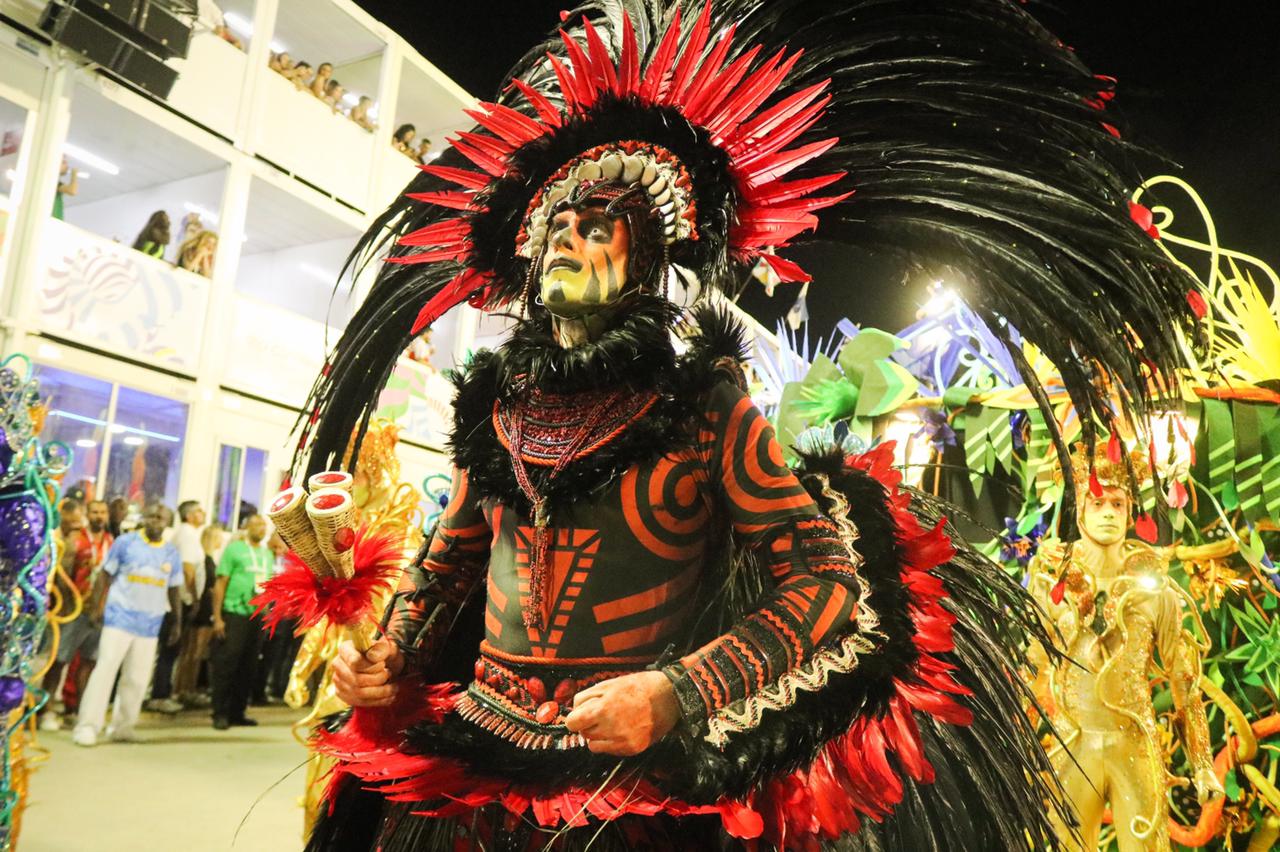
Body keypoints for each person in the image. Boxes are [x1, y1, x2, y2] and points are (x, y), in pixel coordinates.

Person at [297, 2, 1197, 848]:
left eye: (597, 224)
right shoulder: (494, 412)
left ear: (645, 256)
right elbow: (451, 559)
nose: (567, 237)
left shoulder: (702, 407)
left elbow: (824, 582)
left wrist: (675, 694)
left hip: (634, 793)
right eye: (554, 226)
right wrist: (388, 656)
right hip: (479, 773)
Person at [1027, 445, 1224, 851]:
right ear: (1078, 509)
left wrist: (1203, 762)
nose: (1108, 513)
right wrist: (1014, 750)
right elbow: (1032, 673)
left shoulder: (1154, 592)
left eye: (1117, 503)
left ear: (1131, 509)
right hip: (1073, 743)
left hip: (1134, 744)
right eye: (1096, 502)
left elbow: (1184, 679)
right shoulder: (1052, 587)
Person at [72, 504, 183, 747]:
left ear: (167, 523)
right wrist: (96, 606)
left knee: (137, 678)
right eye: (152, 516)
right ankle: (87, 726)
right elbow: (105, 574)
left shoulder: (171, 553)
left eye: (161, 518)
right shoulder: (126, 543)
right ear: (144, 518)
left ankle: (123, 726)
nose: (156, 521)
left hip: (150, 624)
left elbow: (174, 589)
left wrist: (176, 622)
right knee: (104, 671)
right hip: (119, 619)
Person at [39, 499, 112, 731]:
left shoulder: (111, 542)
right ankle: (47, 709)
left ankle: (79, 710)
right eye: (94, 512)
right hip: (73, 610)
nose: (98, 516)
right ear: (86, 515)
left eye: (102, 512)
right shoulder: (75, 539)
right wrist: (63, 606)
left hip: (99, 612)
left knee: (89, 663)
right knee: (59, 660)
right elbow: (63, 575)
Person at [209, 514, 272, 730]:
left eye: (264, 525)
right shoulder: (234, 549)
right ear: (246, 528)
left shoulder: (266, 554)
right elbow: (221, 582)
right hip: (234, 613)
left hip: (257, 617)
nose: (261, 528)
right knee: (227, 664)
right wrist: (217, 617)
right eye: (256, 524)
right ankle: (220, 712)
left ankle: (238, 711)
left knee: (249, 665)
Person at [146, 499, 205, 713]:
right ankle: (159, 695)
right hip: (180, 600)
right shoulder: (187, 535)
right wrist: (194, 597)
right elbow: (188, 569)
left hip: (180, 598)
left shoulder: (189, 535)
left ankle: (163, 691)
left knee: (173, 649)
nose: (203, 513)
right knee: (170, 648)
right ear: (189, 515)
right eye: (199, 511)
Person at [174, 524, 224, 704]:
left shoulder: (206, 559)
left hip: (200, 608)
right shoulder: (207, 561)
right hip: (204, 609)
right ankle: (186, 689)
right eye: (219, 537)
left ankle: (182, 688)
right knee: (195, 652)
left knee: (190, 652)